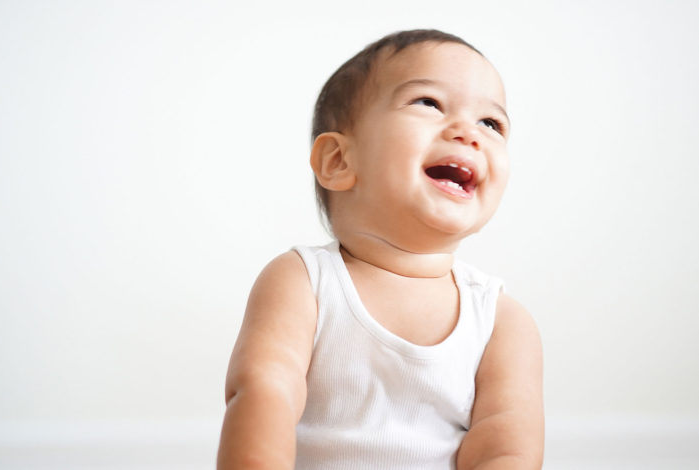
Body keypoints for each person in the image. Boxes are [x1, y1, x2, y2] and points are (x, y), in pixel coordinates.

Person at [217, 29, 544, 470]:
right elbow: (264, 391)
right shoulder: (302, 283)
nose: (469, 133)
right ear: (339, 161)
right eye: (429, 102)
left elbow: (507, 451)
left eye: (492, 124)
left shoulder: (501, 322)